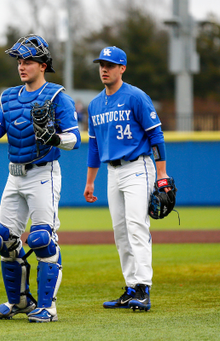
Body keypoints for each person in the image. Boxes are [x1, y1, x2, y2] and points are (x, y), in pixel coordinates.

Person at [0, 34, 81, 323]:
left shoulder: (57, 96)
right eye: (19, 60)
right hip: (15, 175)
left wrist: (55, 137)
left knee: (41, 238)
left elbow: (75, 138)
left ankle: (48, 307)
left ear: (43, 65)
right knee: (1, 239)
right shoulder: (8, 97)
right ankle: (19, 301)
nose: (22, 66)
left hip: (43, 173)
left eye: (28, 60)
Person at [83, 46, 171, 312]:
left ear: (122, 68)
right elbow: (94, 147)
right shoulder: (95, 104)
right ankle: (131, 287)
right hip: (112, 172)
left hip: (137, 167)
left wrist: (162, 172)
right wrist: (90, 182)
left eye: (110, 64)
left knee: (136, 227)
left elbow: (156, 136)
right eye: (101, 64)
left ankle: (144, 288)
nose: (104, 69)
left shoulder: (136, 97)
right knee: (120, 232)